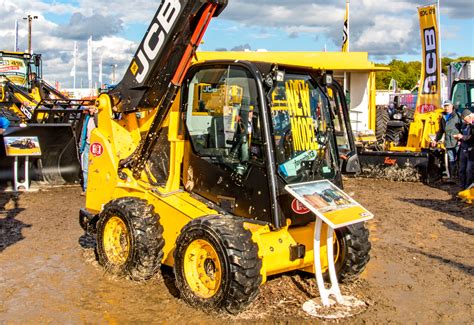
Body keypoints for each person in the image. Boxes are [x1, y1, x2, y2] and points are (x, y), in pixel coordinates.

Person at [432, 100, 462, 179]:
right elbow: (441, 130)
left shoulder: (457, 116)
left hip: (457, 141)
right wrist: (435, 140)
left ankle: (460, 177)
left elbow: (462, 128)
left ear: (452, 106)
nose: (446, 108)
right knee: (451, 159)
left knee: (459, 159)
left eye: (448, 106)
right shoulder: (443, 117)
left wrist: (461, 139)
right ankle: (453, 176)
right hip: (448, 142)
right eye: (445, 106)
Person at [79, 106, 98, 195]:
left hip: (97, 145)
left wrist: (97, 114)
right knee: (86, 168)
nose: (91, 110)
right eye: (90, 108)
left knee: (96, 167)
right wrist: (81, 146)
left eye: (93, 108)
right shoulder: (87, 119)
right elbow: (84, 132)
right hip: (87, 144)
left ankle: (95, 188)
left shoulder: (98, 118)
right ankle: (86, 188)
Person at [454, 109, 474, 190]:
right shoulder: (465, 125)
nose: (466, 122)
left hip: (471, 151)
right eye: (464, 121)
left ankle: (468, 189)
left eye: (466, 120)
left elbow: (472, 138)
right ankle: (462, 188)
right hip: (463, 149)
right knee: (462, 170)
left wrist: (462, 137)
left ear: (470, 116)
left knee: (469, 171)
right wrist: (459, 139)